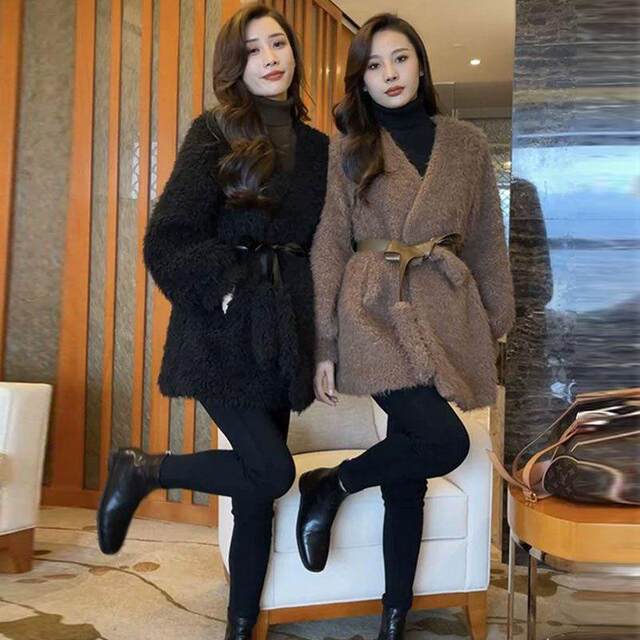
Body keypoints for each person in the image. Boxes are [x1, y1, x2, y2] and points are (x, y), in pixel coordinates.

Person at [96, 5, 328, 639]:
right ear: (235, 65)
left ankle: (240, 627)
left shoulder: (318, 149)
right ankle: (144, 468)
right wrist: (224, 285)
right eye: (252, 50)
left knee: (256, 496)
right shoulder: (214, 131)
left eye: (277, 44)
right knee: (274, 471)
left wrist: (324, 339)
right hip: (221, 331)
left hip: (282, 333)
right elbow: (167, 236)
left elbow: (325, 247)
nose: (270, 58)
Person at [296, 13, 515, 640]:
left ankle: (394, 614)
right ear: (361, 80)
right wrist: (324, 341)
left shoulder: (465, 144)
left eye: (400, 58)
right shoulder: (347, 149)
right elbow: (329, 246)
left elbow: (486, 240)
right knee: (445, 441)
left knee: (408, 477)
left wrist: (492, 319)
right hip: (373, 309)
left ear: (421, 65)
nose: (390, 74)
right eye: (374, 65)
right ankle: (331, 484)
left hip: (443, 310)